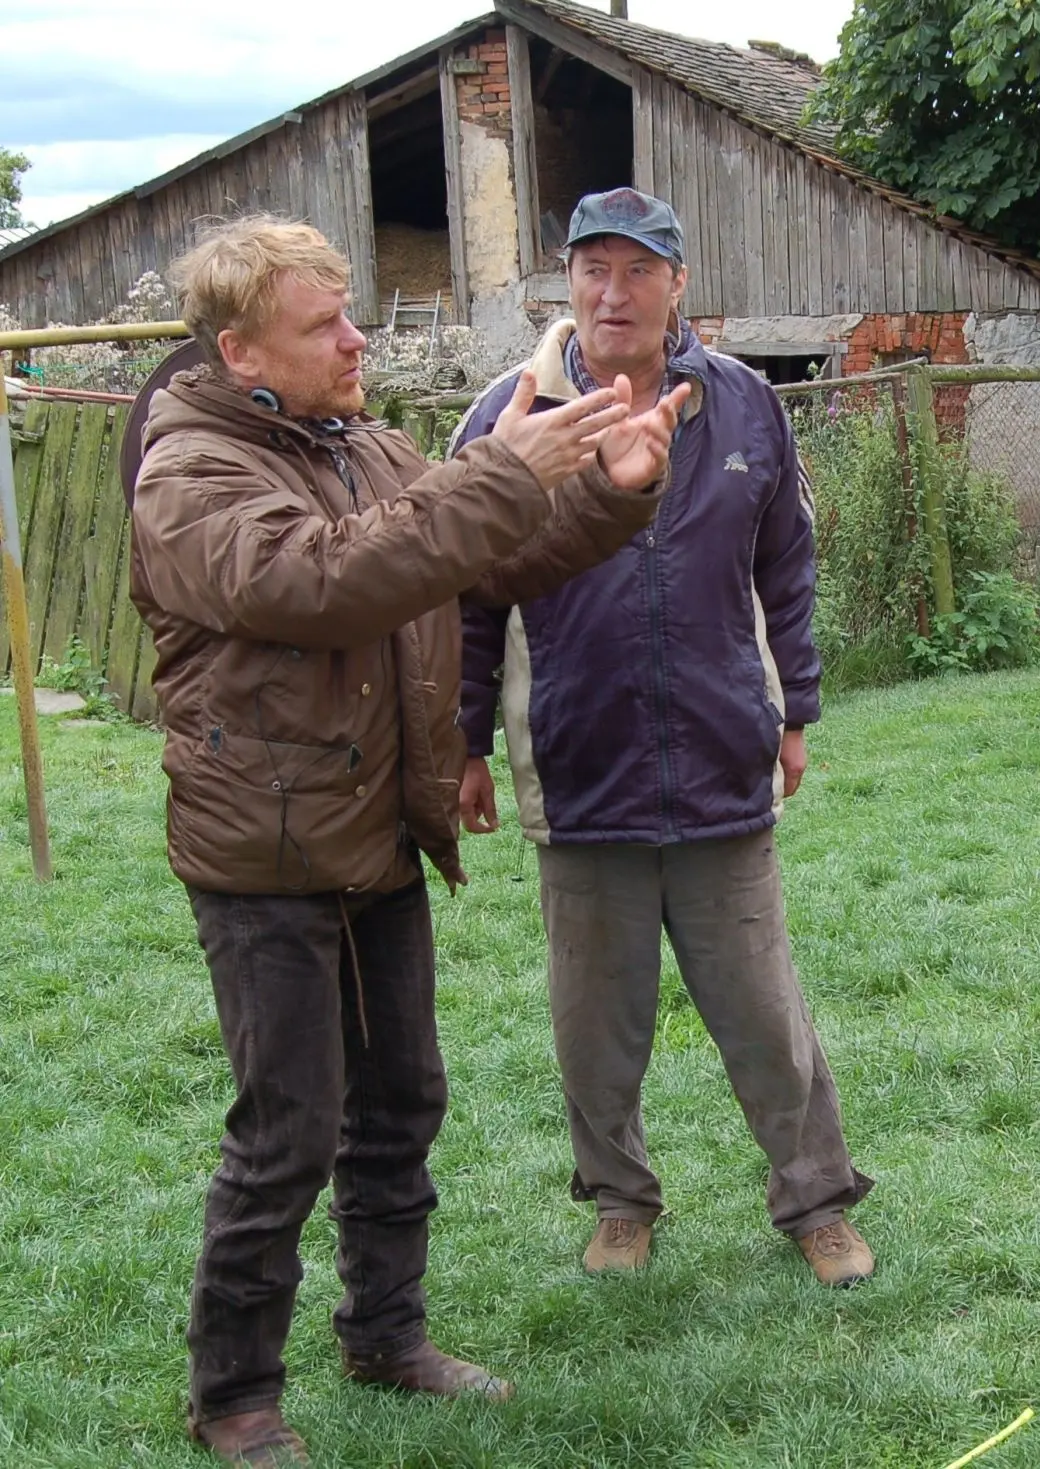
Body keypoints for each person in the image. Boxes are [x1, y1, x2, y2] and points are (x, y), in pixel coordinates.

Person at [130, 214, 688, 1465]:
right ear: (239, 351)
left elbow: (479, 558)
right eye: (322, 323)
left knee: (399, 1101)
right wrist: (498, 471)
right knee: (288, 1127)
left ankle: (385, 1335)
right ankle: (233, 1395)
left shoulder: (361, 446)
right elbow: (321, 583)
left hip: (373, 828)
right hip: (264, 851)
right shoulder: (189, 472)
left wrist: (611, 489)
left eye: (348, 312)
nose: (355, 339)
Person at [453, 189, 876, 1286]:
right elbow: (464, 592)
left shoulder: (745, 406)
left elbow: (786, 566)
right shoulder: (510, 415)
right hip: (577, 763)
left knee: (764, 1011)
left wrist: (795, 709)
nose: (614, 292)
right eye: (593, 268)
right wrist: (463, 740)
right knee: (594, 1022)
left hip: (720, 754)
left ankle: (817, 1200)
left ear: (677, 284)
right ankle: (621, 1201)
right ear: (566, 282)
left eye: (639, 269)